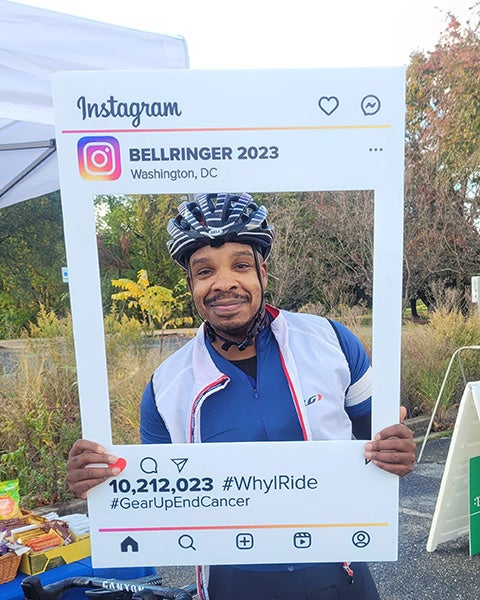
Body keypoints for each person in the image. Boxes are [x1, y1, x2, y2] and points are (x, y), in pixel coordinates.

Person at [67, 192, 415, 600]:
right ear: (191, 285)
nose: (224, 283)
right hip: (235, 581)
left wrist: (397, 450)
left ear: (263, 273)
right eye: (205, 271)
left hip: (339, 570)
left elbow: (379, 439)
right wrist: (101, 484)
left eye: (241, 265)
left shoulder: (333, 342)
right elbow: (158, 497)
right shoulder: (165, 387)